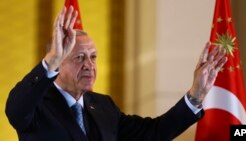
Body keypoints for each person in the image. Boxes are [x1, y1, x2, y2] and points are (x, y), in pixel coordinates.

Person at [5, 6, 227, 141]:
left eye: (93, 57)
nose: (89, 65)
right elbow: (15, 107)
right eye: (79, 57)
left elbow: (154, 134)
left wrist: (195, 96)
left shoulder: (103, 106)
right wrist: (51, 59)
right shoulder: (36, 107)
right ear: (58, 63)